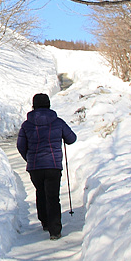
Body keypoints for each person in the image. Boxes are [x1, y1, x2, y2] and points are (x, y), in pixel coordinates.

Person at [16, 92, 77, 239]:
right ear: (49, 105)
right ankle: (55, 231)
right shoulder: (58, 122)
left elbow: (20, 145)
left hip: (35, 167)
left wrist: (29, 158)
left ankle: (44, 222)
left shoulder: (27, 125)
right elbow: (71, 139)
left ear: (33, 106)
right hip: (53, 165)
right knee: (53, 196)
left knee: (41, 192)